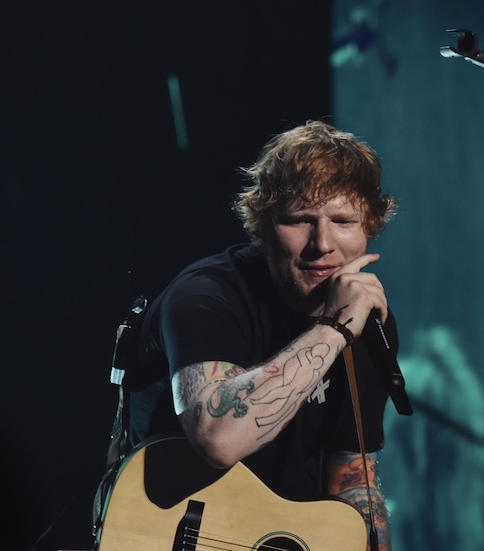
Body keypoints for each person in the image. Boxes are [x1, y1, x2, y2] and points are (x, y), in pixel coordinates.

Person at [124, 120, 400, 551]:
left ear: (369, 226)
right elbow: (218, 438)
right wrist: (333, 329)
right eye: (300, 220)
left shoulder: (367, 322)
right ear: (265, 223)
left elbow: (352, 475)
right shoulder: (204, 297)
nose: (322, 243)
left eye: (343, 221)